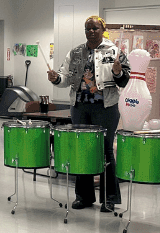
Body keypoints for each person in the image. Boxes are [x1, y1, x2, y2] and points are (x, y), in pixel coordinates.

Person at [48, 15, 130, 213]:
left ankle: (109, 199)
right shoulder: (75, 52)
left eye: (95, 28)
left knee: (105, 151)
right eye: (87, 29)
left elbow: (124, 81)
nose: (91, 32)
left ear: (102, 29)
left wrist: (118, 72)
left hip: (106, 107)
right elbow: (65, 78)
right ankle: (83, 196)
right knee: (81, 149)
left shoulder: (115, 51)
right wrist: (55, 78)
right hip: (80, 106)